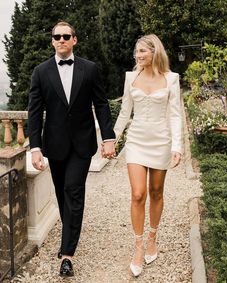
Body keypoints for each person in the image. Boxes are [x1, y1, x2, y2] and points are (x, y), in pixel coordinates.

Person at [28, 21, 115, 277]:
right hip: (54, 146)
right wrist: (35, 147)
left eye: (66, 36)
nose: (62, 39)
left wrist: (108, 137)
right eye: (57, 36)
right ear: (52, 40)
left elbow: (101, 105)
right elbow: (34, 113)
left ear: (74, 39)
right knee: (61, 193)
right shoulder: (40, 72)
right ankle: (71, 232)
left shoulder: (90, 69)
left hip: (82, 144)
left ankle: (67, 255)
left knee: (72, 191)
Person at [113, 34, 182, 277]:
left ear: (155, 52)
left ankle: (153, 236)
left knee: (156, 192)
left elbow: (175, 115)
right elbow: (124, 112)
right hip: (136, 141)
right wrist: (113, 139)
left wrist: (177, 146)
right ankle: (139, 246)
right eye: (137, 52)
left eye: (143, 51)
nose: (138, 55)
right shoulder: (131, 77)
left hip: (161, 142)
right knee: (138, 193)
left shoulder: (171, 79)